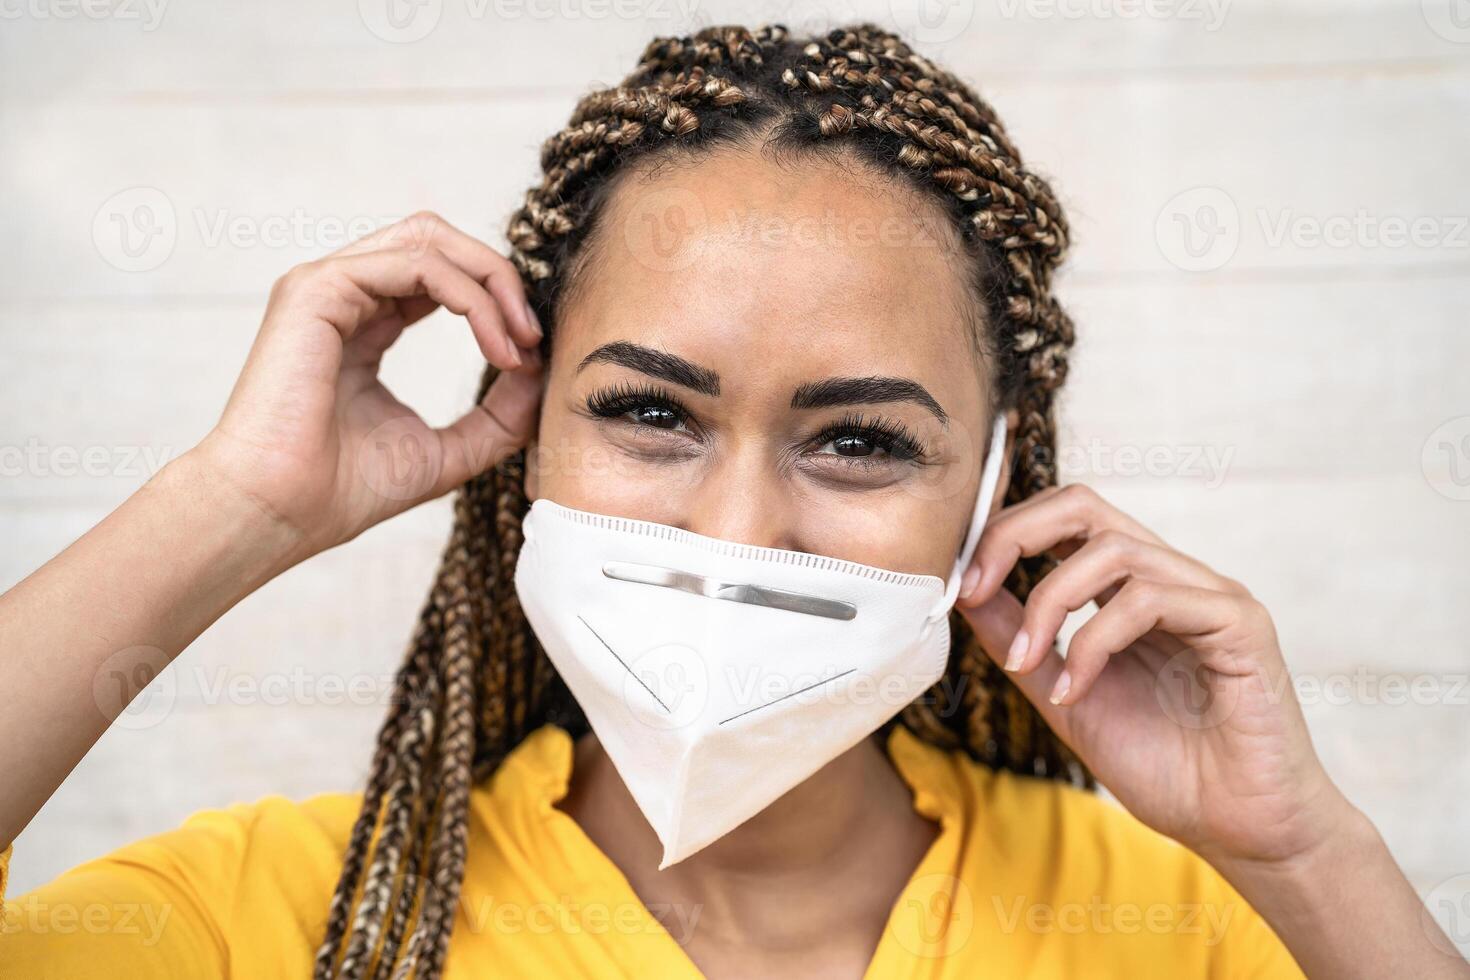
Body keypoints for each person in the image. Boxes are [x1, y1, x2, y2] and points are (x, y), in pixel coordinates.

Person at [1, 22, 1463, 980]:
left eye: (862, 444)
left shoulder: (1178, 927)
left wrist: (1302, 850)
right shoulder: (271, 915)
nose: (735, 531)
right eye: (648, 415)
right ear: (523, 443)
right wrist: (233, 505)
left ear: (993, 492)